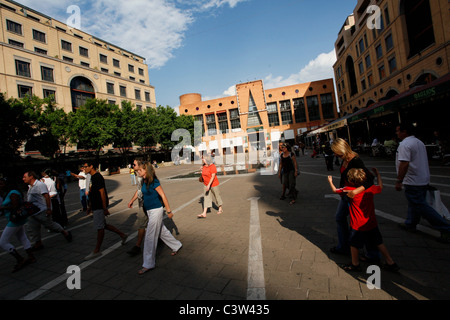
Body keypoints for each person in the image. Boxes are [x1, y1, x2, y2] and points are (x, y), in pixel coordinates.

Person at [328, 168, 399, 272]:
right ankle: (390, 261)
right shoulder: (370, 189)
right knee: (378, 242)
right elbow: (380, 187)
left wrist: (330, 181)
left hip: (357, 224)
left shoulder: (350, 190)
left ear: (351, 180)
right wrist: (378, 174)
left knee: (354, 244)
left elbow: (335, 190)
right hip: (371, 222)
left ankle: (355, 263)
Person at [395, 124, 450, 243]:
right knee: (414, 202)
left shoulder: (405, 144)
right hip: (422, 178)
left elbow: (404, 163)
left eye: (398, 131)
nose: (397, 133)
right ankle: (410, 223)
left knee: (420, 205)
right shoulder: (418, 142)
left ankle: (445, 228)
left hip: (412, 179)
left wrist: (399, 180)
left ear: (404, 131)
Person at [330, 138, 377, 258]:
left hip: (356, 197)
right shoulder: (344, 159)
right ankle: (344, 246)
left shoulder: (355, 160)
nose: (334, 154)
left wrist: (356, 191)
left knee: (360, 224)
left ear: (342, 149)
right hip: (346, 195)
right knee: (339, 217)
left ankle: (372, 253)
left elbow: (370, 180)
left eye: (336, 152)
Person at [135, 161, 182, 274]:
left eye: (140, 170)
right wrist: (132, 200)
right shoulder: (143, 181)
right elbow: (140, 193)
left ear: (146, 170)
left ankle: (148, 264)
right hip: (149, 211)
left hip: (156, 210)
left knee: (150, 236)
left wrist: (169, 210)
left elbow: (163, 195)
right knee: (162, 231)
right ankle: (177, 245)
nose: (138, 171)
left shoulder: (154, 181)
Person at [83, 162, 128, 260]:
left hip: (99, 206)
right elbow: (92, 193)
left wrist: (104, 208)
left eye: (86, 167)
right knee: (104, 225)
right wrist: (89, 207)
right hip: (95, 205)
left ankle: (97, 250)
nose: (84, 168)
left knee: (100, 228)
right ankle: (122, 235)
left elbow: (102, 193)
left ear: (91, 166)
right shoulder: (91, 177)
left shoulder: (97, 177)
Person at [23, 171, 72, 251]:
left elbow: (47, 196)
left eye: (25, 177)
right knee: (33, 228)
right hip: (33, 212)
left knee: (50, 225)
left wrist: (49, 209)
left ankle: (65, 233)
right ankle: (38, 243)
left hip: (42, 211)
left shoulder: (40, 185)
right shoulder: (30, 186)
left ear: (31, 176)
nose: (23, 179)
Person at [0, 178, 36, 272]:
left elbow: (15, 206)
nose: (0, 186)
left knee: (3, 242)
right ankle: (31, 256)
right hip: (17, 219)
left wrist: (2, 207)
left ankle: (20, 259)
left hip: (15, 220)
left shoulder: (13, 192)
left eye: (2, 184)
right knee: (22, 237)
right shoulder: (9, 192)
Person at [127, 158, 148, 256]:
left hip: (145, 204)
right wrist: (132, 200)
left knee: (141, 225)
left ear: (139, 165)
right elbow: (139, 190)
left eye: (134, 164)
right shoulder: (139, 176)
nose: (133, 166)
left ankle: (138, 246)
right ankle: (159, 239)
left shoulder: (145, 176)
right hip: (142, 204)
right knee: (154, 224)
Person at [197, 154, 223, 218]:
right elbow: (203, 173)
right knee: (206, 198)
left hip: (213, 184)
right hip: (206, 184)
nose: (202, 160)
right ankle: (204, 213)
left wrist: (209, 185)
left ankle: (220, 208)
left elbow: (213, 176)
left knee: (217, 196)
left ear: (207, 159)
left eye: (203, 159)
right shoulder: (203, 166)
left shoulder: (212, 166)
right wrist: (201, 170)